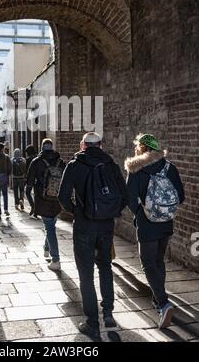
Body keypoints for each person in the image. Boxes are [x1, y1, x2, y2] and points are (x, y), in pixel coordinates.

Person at [58, 132, 128, 341]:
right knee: (105, 267)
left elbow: (62, 196)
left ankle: (92, 323)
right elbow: (125, 196)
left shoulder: (74, 164)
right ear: (99, 145)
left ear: (83, 145)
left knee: (86, 274)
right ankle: (108, 314)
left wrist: (77, 212)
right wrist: (110, 212)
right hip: (106, 226)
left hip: (84, 226)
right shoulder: (110, 164)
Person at [125, 133, 185, 329]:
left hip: (147, 225)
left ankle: (163, 303)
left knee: (148, 264)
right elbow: (181, 197)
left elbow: (130, 199)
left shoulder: (135, 168)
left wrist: (142, 214)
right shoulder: (170, 168)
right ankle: (157, 298)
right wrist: (165, 210)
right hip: (166, 223)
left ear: (141, 149)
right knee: (158, 261)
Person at [26, 138, 65, 270]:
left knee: (50, 228)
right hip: (58, 200)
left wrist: (30, 202)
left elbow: (29, 182)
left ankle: (56, 260)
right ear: (52, 147)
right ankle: (47, 249)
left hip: (43, 200)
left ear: (42, 147)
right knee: (51, 225)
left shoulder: (36, 162)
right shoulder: (61, 162)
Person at [25, 145, 37, 218]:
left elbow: (27, 170)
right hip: (38, 179)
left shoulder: (28, 159)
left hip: (30, 179)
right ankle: (36, 210)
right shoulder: (38, 158)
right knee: (36, 194)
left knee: (28, 193)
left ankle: (33, 206)